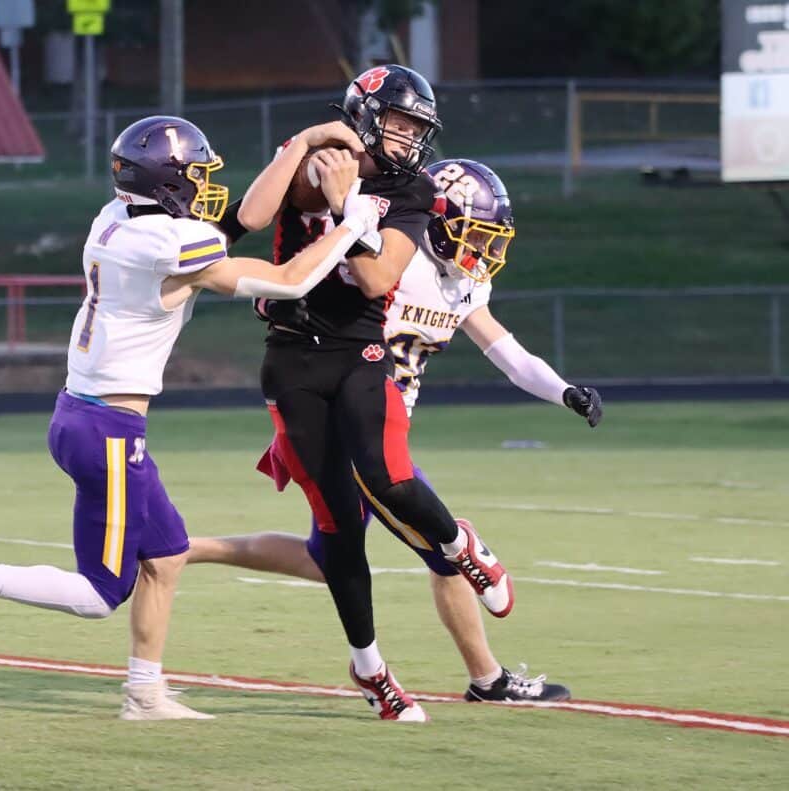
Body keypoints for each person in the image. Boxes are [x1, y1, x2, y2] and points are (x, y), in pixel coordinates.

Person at [0, 115, 379, 721]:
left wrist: (300, 144)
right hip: (108, 428)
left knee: (168, 553)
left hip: (84, 414)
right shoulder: (169, 244)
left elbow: (233, 231)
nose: (207, 187)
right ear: (170, 181)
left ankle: (145, 694)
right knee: (100, 594)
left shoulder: (117, 220)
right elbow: (288, 280)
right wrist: (352, 221)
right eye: (197, 174)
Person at [190, 158, 603, 704]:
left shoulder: (460, 284)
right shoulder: (383, 259)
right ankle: (488, 680)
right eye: (474, 234)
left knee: (327, 558)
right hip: (346, 423)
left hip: (380, 424)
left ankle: (183, 549)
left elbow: (508, 354)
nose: (482, 252)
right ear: (437, 219)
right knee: (443, 543)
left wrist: (564, 391)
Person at [228, 65, 515, 723]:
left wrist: (341, 205)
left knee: (389, 474)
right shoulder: (322, 157)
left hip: (360, 349)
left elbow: (378, 272)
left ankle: (460, 544)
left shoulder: (410, 187)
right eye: (399, 121)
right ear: (363, 113)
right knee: (338, 536)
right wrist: (301, 143)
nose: (409, 136)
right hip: (292, 359)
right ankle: (371, 669)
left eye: (418, 126)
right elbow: (249, 214)